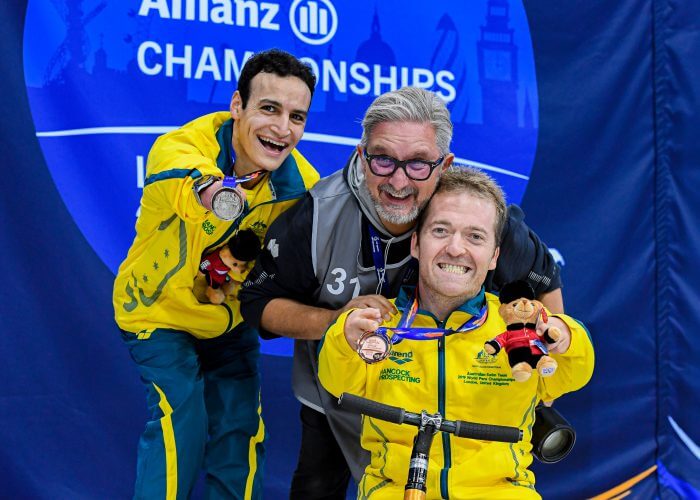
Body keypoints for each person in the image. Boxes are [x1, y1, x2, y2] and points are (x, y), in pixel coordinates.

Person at [239, 86, 564, 499]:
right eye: (384, 160)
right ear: (361, 155)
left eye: (417, 165)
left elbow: (547, 294)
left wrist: (541, 376)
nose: (398, 180)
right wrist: (336, 323)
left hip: (459, 402)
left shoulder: (476, 215)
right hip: (345, 398)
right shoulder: (320, 213)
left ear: (443, 164)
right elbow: (259, 303)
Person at [112, 48, 319, 499]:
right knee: (180, 420)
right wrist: (216, 192)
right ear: (237, 106)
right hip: (158, 317)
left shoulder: (300, 187)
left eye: (296, 116)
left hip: (227, 323)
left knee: (240, 430)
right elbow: (190, 180)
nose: (283, 129)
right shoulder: (181, 148)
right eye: (269, 108)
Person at [317, 167, 595, 499]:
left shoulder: (519, 326)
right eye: (440, 230)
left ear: (494, 257)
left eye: (475, 236)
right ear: (417, 244)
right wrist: (342, 339)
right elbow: (336, 383)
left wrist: (566, 334)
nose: (455, 248)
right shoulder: (380, 325)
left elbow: (573, 373)